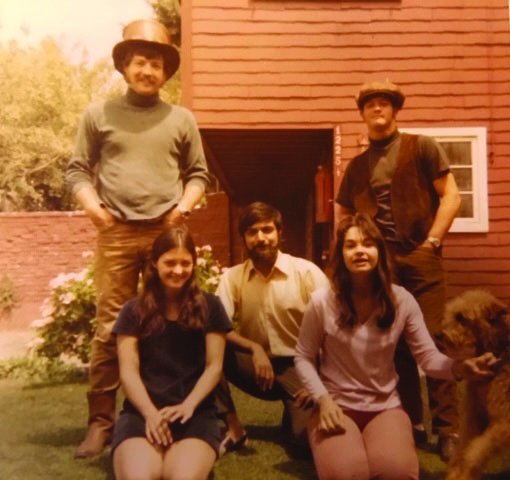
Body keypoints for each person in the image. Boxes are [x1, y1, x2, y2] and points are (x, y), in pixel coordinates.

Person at [66, 18, 209, 458]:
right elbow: (77, 170)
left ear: (166, 71)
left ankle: (200, 412)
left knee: (184, 317)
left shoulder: (181, 118)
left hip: (168, 233)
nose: (148, 71)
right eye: (140, 61)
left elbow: (199, 175)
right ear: (125, 65)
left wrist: (181, 210)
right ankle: (101, 423)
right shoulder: (98, 115)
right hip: (117, 232)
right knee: (111, 327)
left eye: (157, 63)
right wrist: (94, 208)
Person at [295, 214, 496, 480]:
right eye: (351, 245)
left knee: (396, 473)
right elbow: (303, 356)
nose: (360, 251)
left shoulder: (402, 300)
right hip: (336, 406)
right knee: (348, 474)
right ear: (340, 254)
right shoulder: (322, 302)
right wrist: (322, 399)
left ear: (379, 250)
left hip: (385, 408)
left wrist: (460, 368)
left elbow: (427, 358)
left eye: (367, 243)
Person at [336, 79, 462, 459]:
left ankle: (449, 430)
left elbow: (451, 196)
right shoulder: (357, 166)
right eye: (370, 103)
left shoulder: (420, 147)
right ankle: (412, 422)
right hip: (381, 263)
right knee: (394, 343)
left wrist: (434, 242)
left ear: (394, 110)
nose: (377, 109)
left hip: (421, 258)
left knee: (437, 338)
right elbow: (345, 214)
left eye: (384, 103)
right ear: (362, 112)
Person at [112, 227, 232, 480]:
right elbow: (128, 372)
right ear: (155, 263)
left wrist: (189, 405)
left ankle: (202, 451)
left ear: (193, 263)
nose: (178, 270)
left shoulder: (211, 306)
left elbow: (214, 367)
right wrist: (150, 414)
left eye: (185, 263)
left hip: (195, 413)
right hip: (141, 412)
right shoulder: (132, 310)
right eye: (170, 262)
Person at [214, 202, 330, 455]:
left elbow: (335, 331)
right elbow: (216, 327)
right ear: (244, 238)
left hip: (300, 366)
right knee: (206, 347)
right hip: (256, 367)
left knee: (304, 445)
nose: (261, 238)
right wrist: (254, 348)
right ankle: (234, 429)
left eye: (267, 230)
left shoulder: (307, 273)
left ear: (279, 233)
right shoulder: (232, 277)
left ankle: (294, 415)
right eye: (252, 232)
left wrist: (320, 379)